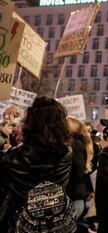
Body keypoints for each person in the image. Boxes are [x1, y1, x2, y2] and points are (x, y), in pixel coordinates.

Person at [0, 97, 72, 232]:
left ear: (31, 123)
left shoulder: (12, 159)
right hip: (51, 223)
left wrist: (11, 147)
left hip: (19, 223)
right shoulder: (66, 155)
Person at [67, 117, 94, 222]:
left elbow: (77, 172)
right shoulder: (77, 142)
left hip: (73, 197)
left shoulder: (75, 144)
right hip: (76, 197)